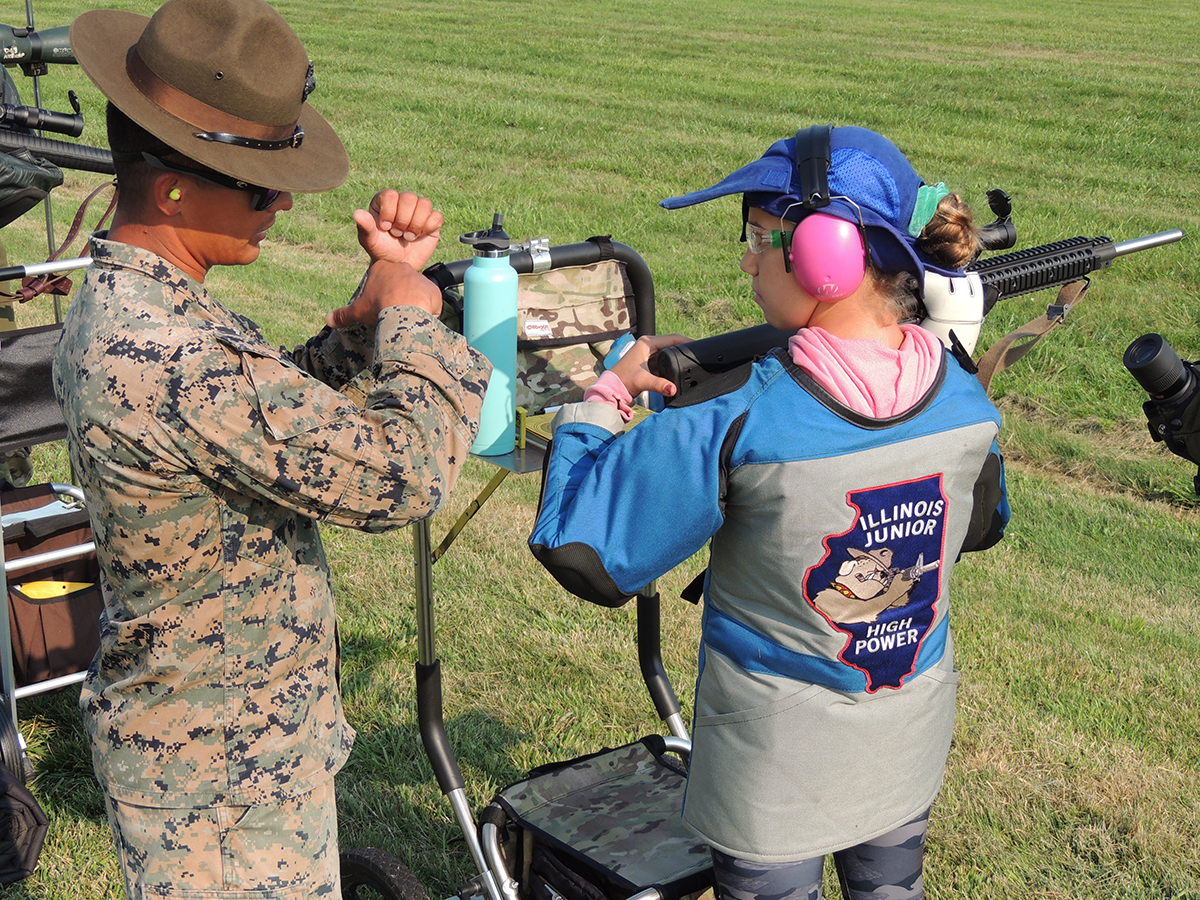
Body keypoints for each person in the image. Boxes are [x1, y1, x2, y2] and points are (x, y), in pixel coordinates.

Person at [52, 0, 490, 896]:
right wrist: (413, 321)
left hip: (224, 759)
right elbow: (402, 475)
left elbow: (256, 423)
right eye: (258, 184)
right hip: (220, 793)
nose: (285, 202)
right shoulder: (166, 356)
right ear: (173, 187)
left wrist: (360, 326)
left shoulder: (147, 307)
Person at [529, 125, 1008, 900]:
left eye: (759, 237)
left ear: (826, 253)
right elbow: (982, 523)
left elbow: (583, 552)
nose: (747, 258)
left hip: (773, 766)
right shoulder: (964, 395)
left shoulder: (737, 417)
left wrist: (605, 399)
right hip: (906, 734)